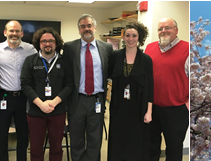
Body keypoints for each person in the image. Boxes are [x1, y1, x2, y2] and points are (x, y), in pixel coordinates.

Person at [62, 14, 113, 161]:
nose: (86, 29)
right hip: (77, 100)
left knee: (95, 138)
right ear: (79, 29)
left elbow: (110, 72)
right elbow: (66, 73)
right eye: (83, 26)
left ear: (95, 28)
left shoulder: (107, 48)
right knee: (76, 138)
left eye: (89, 25)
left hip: (97, 100)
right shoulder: (70, 47)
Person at [21, 27, 73, 161]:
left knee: (56, 147)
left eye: (51, 40)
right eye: (44, 41)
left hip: (58, 110)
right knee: (35, 148)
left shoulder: (65, 61)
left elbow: (69, 85)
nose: (47, 44)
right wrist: (40, 104)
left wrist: (54, 102)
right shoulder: (30, 60)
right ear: (39, 43)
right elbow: (25, 85)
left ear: (56, 43)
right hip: (35, 111)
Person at [108, 21, 154, 161]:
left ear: (139, 38)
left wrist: (149, 111)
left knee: (136, 142)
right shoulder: (115, 56)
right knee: (117, 141)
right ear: (123, 37)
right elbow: (108, 77)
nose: (130, 39)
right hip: (118, 107)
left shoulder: (146, 59)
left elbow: (150, 85)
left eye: (134, 35)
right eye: (127, 35)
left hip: (138, 107)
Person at [0, 20, 36, 161]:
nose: (14, 34)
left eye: (17, 31)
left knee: (23, 133)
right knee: (1, 133)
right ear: (5, 33)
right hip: (4, 96)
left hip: (24, 97)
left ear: (22, 33)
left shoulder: (31, 50)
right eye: (11, 31)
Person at [145, 17, 189, 161]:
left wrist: (188, 105)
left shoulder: (188, 49)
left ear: (176, 30)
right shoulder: (149, 48)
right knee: (151, 147)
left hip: (176, 110)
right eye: (160, 29)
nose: (163, 31)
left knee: (174, 149)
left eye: (167, 28)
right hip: (152, 108)